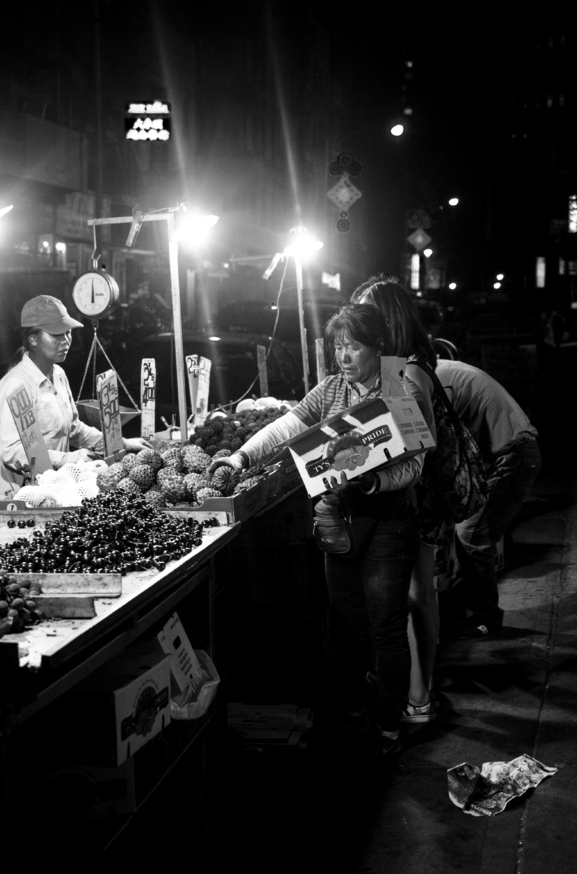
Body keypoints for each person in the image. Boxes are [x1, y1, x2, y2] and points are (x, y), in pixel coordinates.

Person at [209, 294, 437, 755]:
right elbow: (289, 425)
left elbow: (417, 466)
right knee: (349, 624)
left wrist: (374, 483)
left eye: (354, 347)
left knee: (386, 625)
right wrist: (240, 456)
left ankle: (388, 726)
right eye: (338, 347)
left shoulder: (398, 386)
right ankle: (355, 711)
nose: (344, 357)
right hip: (336, 520)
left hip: (387, 523)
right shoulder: (331, 389)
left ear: (377, 346)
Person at [351, 276, 444, 726]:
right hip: (407, 493)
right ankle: (414, 691)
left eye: (367, 312)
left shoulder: (403, 370)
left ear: (387, 319)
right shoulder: (400, 364)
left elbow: (412, 445)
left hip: (416, 493)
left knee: (415, 596)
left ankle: (419, 697)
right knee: (411, 596)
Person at [0, 295, 152, 506]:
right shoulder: (16, 384)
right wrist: (65, 459)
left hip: (51, 490)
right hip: (16, 498)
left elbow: (74, 429)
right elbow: (12, 451)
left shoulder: (58, 374)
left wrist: (123, 443)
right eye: (56, 334)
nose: (65, 340)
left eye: (68, 332)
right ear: (33, 339)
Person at [435, 359, 542, 639]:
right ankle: (466, 612)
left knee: (470, 535)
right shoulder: (440, 370)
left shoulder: (434, 380)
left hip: (512, 457)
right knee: (467, 533)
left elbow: (442, 440)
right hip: (509, 455)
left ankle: (486, 618)